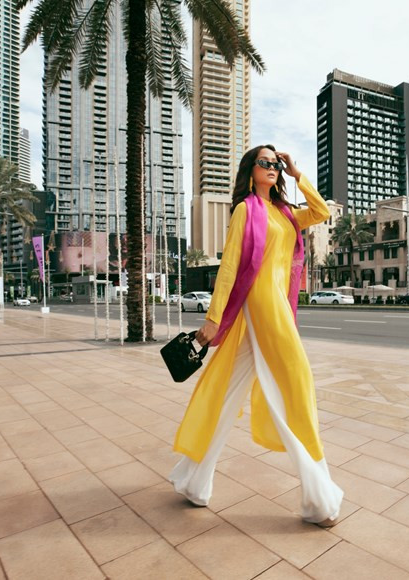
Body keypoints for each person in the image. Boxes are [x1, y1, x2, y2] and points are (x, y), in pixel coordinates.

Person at [170, 145, 343, 526]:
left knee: (227, 389)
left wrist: (298, 174)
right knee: (297, 385)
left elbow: (321, 212)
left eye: (276, 164)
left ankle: (192, 480)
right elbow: (230, 265)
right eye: (266, 163)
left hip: (275, 306)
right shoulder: (246, 209)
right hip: (258, 305)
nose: (273, 169)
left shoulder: (284, 212)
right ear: (250, 170)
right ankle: (319, 500)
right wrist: (213, 319)